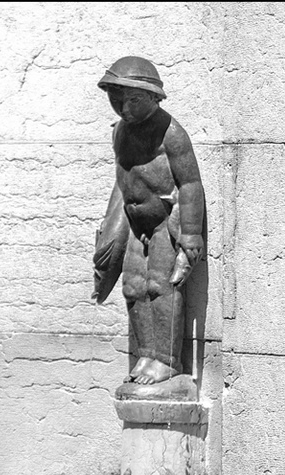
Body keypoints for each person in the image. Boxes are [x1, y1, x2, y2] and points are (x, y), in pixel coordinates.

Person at [92, 56, 205, 399]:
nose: (124, 108)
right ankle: (145, 355)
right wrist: (110, 229)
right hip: (133, 221)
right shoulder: (121, 133)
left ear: (154, 97)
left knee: (161, 286)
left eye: (133, 100)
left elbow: (190, 184)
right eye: (116, 99)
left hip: (163, 222)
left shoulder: (171, 134)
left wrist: (190, 235)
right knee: (133, 288)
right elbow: (123, 179)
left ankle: (166, 359)